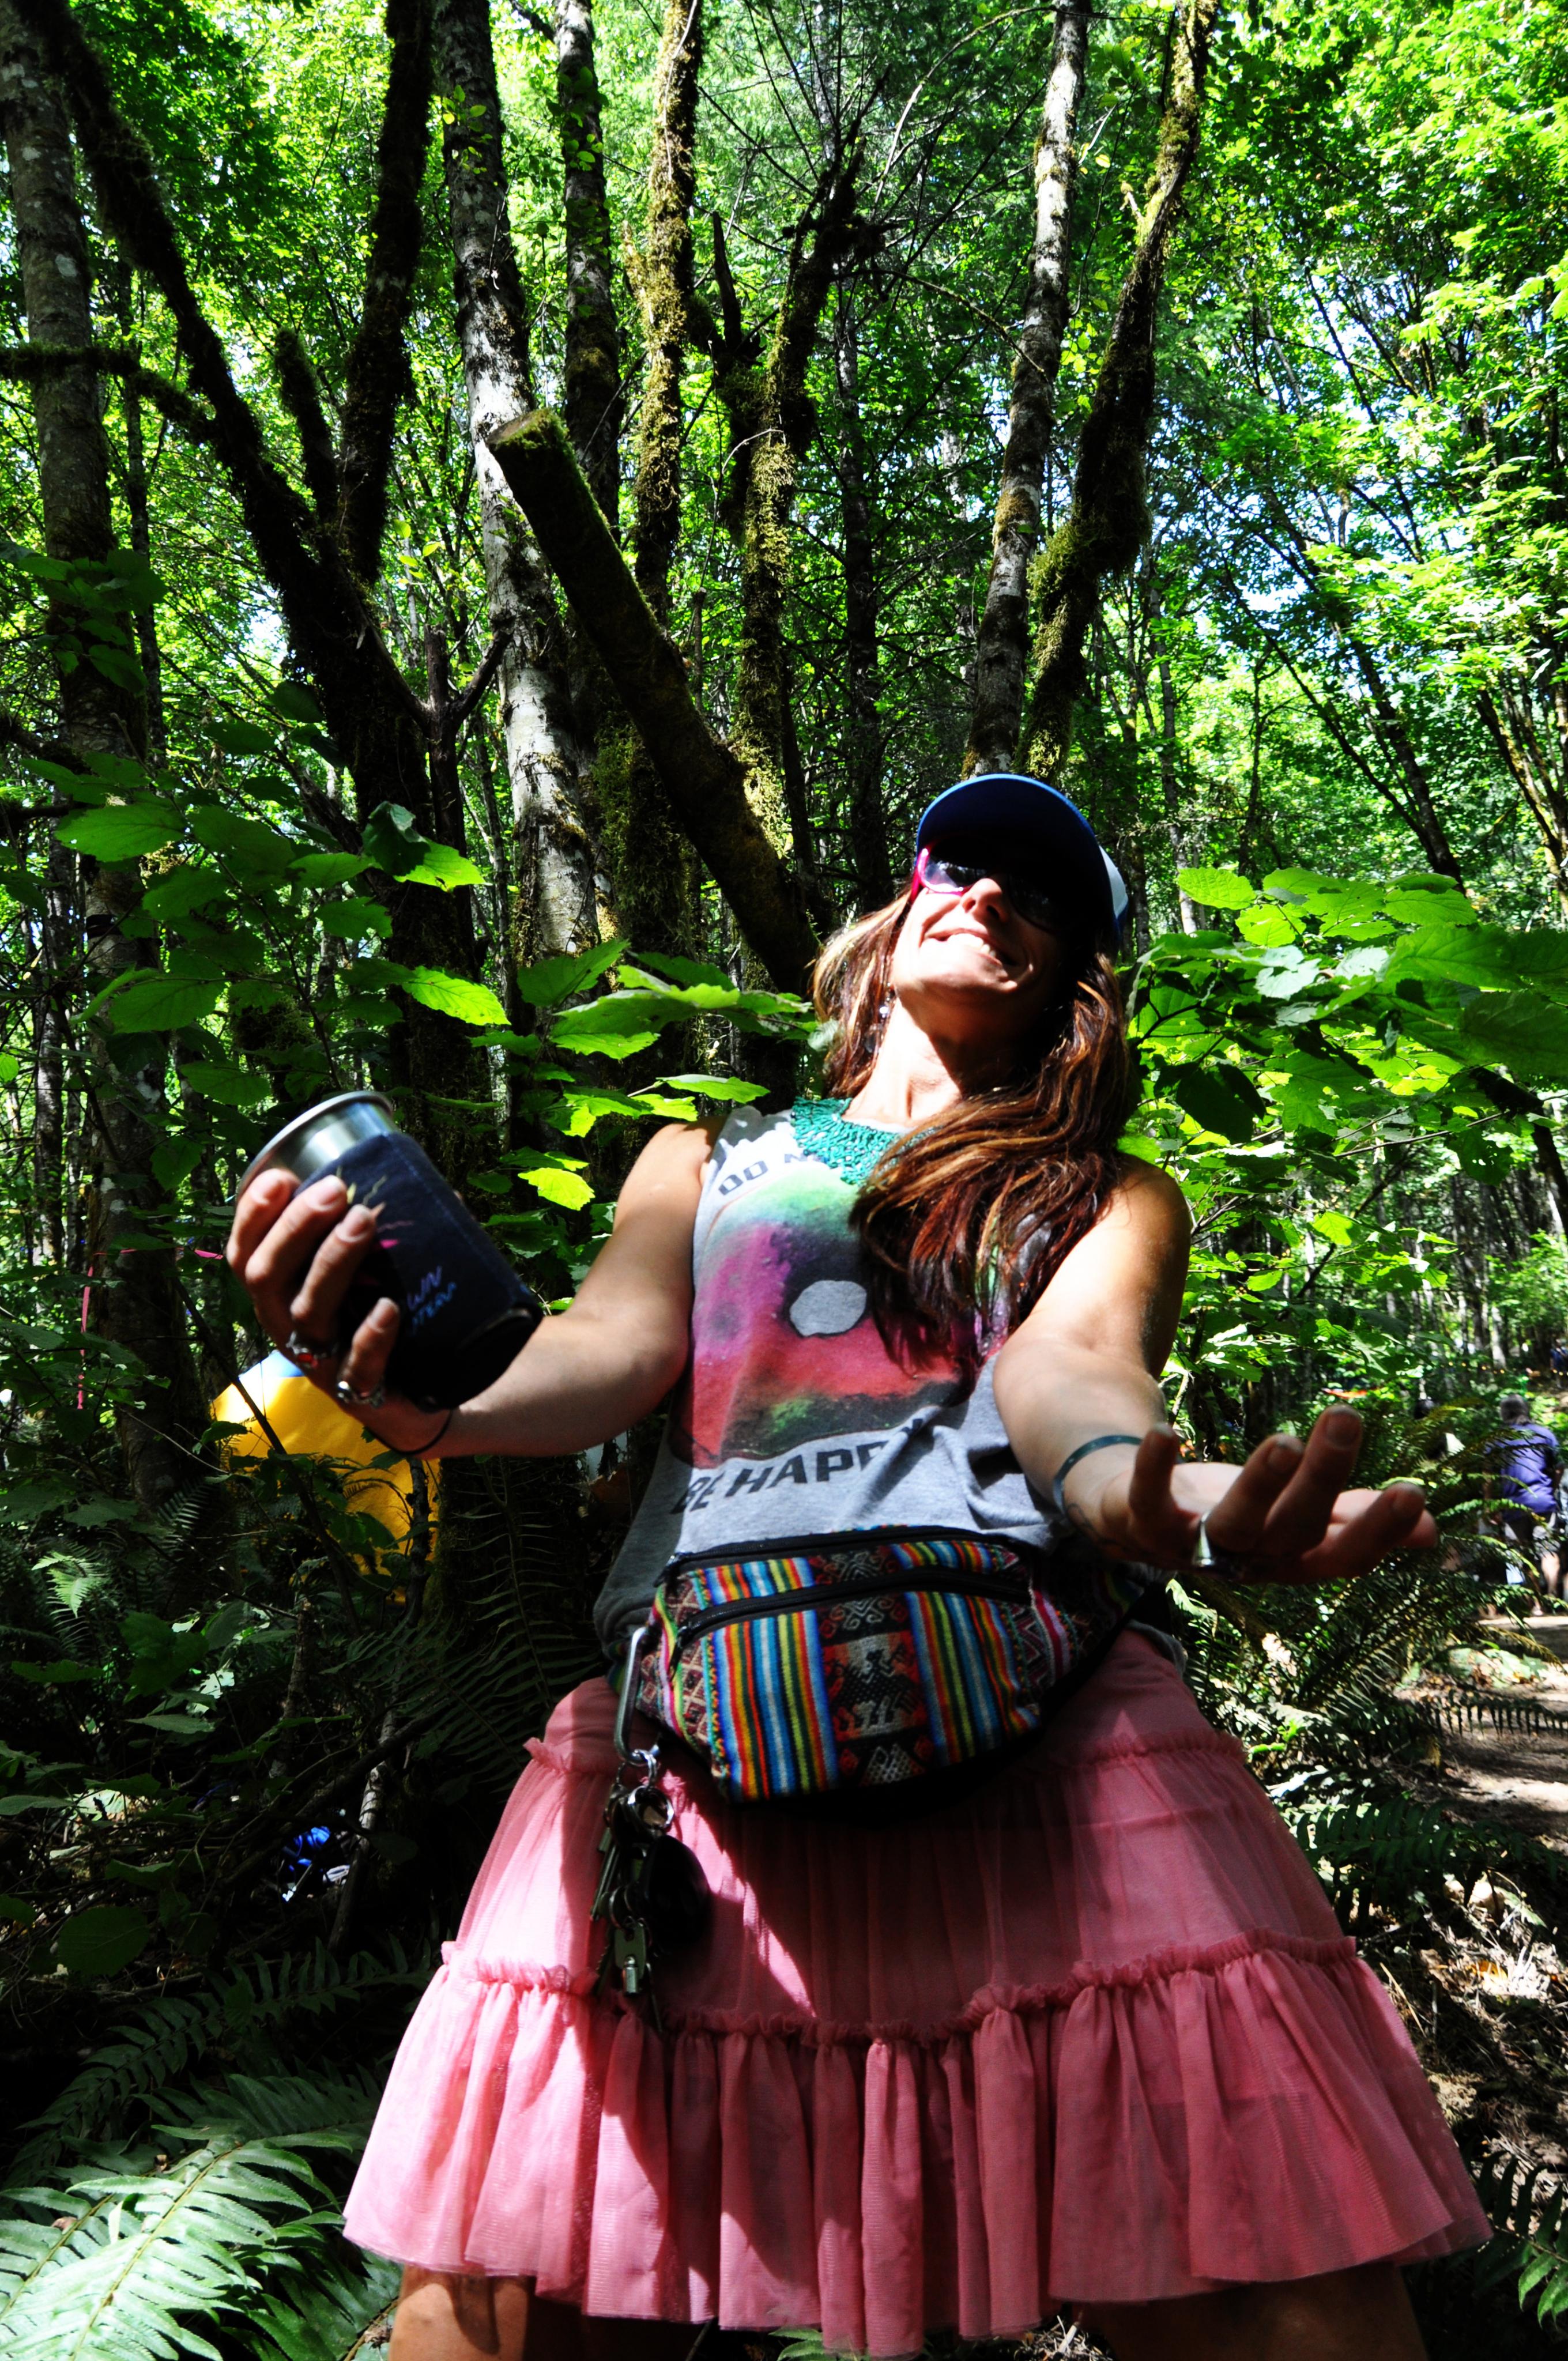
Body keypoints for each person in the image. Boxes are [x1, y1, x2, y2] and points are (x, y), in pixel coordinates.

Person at [228, 774, 1487, 2361]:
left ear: (1074, 981)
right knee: (499, 2310)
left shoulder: (1106, 1192)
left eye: (1040, 892)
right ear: (895, 918)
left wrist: (1185, 1502)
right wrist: (436, 1408)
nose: (989, 893)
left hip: (1055, 1746)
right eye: (958, 865)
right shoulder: (706, 1158)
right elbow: (610, 1352)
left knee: (1287, 2297)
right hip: (692, 1753)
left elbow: (1075, 1388)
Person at [1491, 1391, 1562, 1597]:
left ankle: (1536, 1604)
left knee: (1522, 1556)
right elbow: (1559, 1467)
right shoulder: (1544, 1434)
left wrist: (1489, 1504)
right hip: (1543, 1501)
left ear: (1504, 1414)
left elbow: (1488, 1475)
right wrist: (1552, 1489)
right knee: (1548, 1552)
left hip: (1513, 1505)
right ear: (1526, 1410)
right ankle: (1551, 1597)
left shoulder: (1498, 1439)